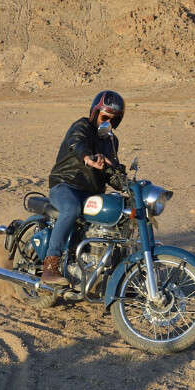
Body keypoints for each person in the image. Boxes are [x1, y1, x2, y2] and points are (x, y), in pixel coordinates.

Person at [42, 90, 126, 285]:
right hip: (66, 185)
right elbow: (76, 143)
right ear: (95, 113)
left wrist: (122, 179)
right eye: (105, 117)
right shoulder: (82, 126)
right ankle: (50, 267)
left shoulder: (112, 141)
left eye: (113, 120)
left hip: (91, 192)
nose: (108, 123)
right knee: (71, 209)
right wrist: (88, 158)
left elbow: (111, 174)